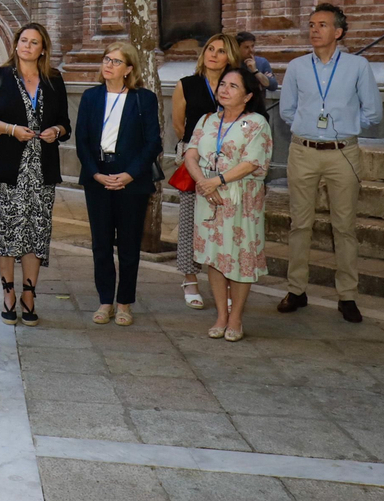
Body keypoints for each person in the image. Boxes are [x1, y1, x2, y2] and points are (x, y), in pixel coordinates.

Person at [277, 4, 381, 322]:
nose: (314, 30)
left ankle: (347, 296)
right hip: (303, 151)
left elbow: (373, 111)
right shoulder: (296, 67)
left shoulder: (357, 66)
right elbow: (287, 110)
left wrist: (346, 127)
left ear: (338, 32)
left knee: (345, 226)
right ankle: (296, 289)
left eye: (322, 24)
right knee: (299, 224)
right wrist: (310, 128)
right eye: (310, 24)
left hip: (343, 153)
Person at [0, 23, 71, 327]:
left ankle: (29, 293)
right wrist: (12, 130)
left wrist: (57, 130)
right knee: (6, 233)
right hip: (6, 168)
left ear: (43, 49)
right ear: (15, 44)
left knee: (35, 233)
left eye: (34, 42)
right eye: (23, 41)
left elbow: (66, 123)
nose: (27, 46)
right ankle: (8, 292)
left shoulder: (54, 80)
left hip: (41, 170)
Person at [76, 42, 162, 326]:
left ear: (128, 69)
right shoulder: (90, 97)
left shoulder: (143, 99)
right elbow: (82, 141)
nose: (108, 65)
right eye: (106, 59)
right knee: (100, 243)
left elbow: (153, 143)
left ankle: (124, 303)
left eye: (116, 61)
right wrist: (95, 173)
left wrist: (130, 175)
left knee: (128, 245)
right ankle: (105, 301)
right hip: (98, 176)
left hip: (131, 180)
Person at [184, 66, 272, 341]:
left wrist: (217, 181)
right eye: (223, 84)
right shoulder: (208, 120)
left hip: (241, 199)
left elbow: (251, 162)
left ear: (247, 96)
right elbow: (191, 154)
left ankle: (236, 319)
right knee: (215, 257)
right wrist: (203, 182)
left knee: (240, 258)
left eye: (233, 86)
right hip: (208, 198)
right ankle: (221, 315)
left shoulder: (255, 123)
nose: (225, 89)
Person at [170, 33, 246, 311]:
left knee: (224, 225)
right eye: (210, 49)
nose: (213, 55)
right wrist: (199, 152)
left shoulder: (238, 84)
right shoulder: (187, 85)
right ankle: (190, 278)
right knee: (191, 220)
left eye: (221, 51)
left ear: (231, 57)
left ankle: (223, 279)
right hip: (195, 162)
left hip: (231, 165)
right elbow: (180, 125)